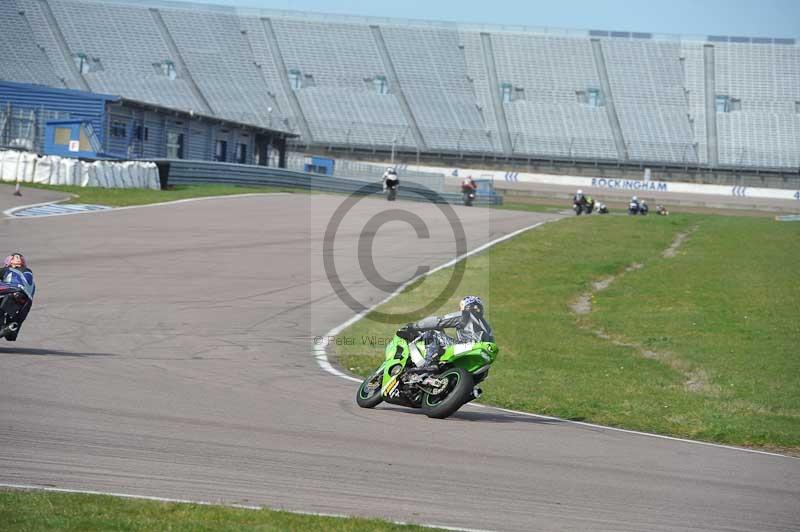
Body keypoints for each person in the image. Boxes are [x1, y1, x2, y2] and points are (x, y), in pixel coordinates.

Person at [402, 296, 493, 373]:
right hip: (481, 361)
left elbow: (438, 322)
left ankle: (429, 363)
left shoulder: (466, 314)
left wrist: (414, 326)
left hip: (468, 346)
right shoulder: (487, 327)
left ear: (467, 306)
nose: (460, 309)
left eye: (461, 307)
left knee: (433, 332)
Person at [0, 253, 35, 341]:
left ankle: (6, 327)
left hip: (12, 293)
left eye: (19, 258)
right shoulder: (28, 272)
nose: (18, 259)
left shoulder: (6, 270)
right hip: (25, 300)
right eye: (16, 258)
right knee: (11, 336)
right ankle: (10, 328)